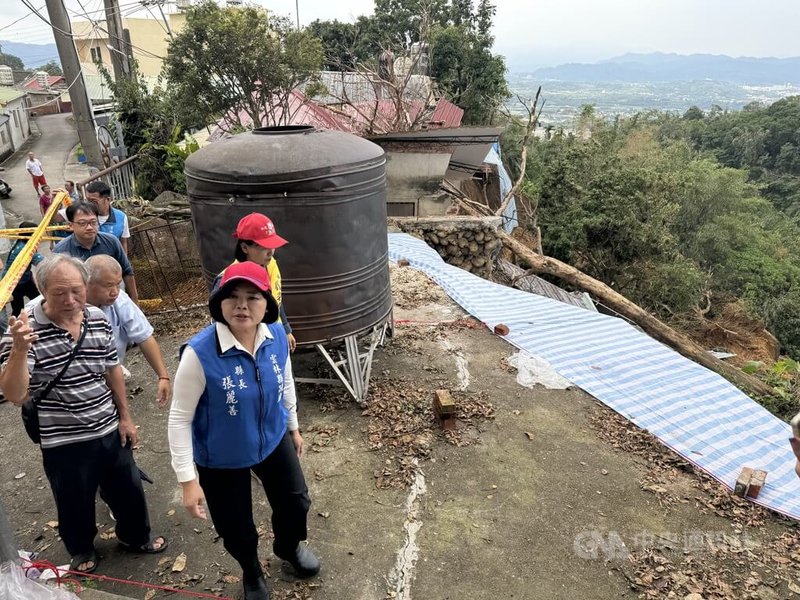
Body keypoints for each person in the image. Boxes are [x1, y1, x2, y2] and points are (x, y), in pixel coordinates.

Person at [0, 254, 168, 575]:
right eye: (59, 292)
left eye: (76, 290)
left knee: (128, 489)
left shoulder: (96, 316)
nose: (70, 300)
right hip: (63, 439)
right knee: (73, 499)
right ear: (41, 288)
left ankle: (136, 537)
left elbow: (111, 370)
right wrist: (20, 350)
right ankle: (81, 548)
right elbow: (15, 394)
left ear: (86, 287)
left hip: (108, 426)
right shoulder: (24, 330)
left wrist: (125, 416)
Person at [169, 261, 319, 600]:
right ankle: (251, 571)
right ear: (217, 303)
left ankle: (287, 547)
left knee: (296, 502)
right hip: (222, 455)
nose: (242, 305)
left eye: (253, 297)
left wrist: (293, 426)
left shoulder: (277, 334)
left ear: (268, 304)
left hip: (272, 435)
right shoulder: (199, 353)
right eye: (232, 296)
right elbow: (179, 418)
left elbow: (285, 381)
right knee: (236, 526)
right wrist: (187, 480)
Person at [84, 255, 171, 406]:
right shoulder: (68, 304)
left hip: (111, 368)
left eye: (118, 284)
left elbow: (144, 336)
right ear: (87, 282)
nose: (115, 292)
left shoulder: (120, 300)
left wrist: (163, 376)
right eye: (108, 285)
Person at [213, 213, 296, 352]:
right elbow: (219, 326)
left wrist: (286, 330)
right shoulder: (227, 281)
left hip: (273, 337)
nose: (271, 252)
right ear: (245, 247)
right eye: (264, 246)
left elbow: (275, 299)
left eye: (273, 245)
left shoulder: (269, 265)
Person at [53, 202, 139, 304]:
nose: (89, 227)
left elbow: (127, 271)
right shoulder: (61, 250)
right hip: (82, 304)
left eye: (93, 222)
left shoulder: (111, 242)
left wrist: (134, 299)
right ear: (70, 225)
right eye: (82, 223)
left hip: (113, 300)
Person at [0, 221, 44, 315]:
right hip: (15, 282)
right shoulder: (25, 249)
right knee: (18, 309)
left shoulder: (21, 240)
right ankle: (15, 327)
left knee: (37, 300)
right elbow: (43, 263)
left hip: (23, 278)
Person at [85, 181, 131, 254]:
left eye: (94, 201)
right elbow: (60, 217)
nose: (89, 205)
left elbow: (123, 242)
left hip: (111, 262)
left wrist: (124, 262)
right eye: (87, 200)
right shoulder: (82, 215)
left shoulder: (121, 217)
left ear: (107, 200)